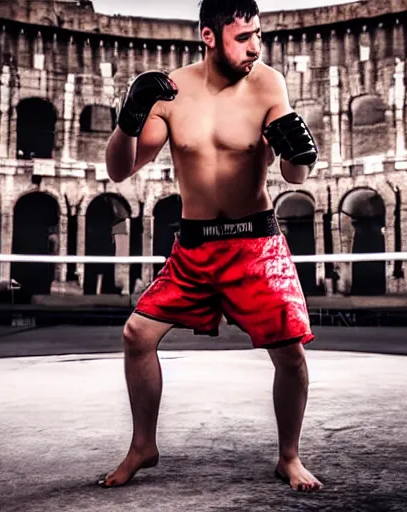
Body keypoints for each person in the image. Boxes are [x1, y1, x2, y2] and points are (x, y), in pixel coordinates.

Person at [100, 0, 323, 492]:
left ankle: (289, 456)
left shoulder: (268, 83)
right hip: (195, 247)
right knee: (137, 336)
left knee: (290, 356)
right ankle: (143, 446)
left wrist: (301, 154)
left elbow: (292, 173)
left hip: (256, 243)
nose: (255, 47)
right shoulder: (173, 92)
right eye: (243, 37)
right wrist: (129, 118)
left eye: (258, 35)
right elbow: (120, 169)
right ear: (209, 36)